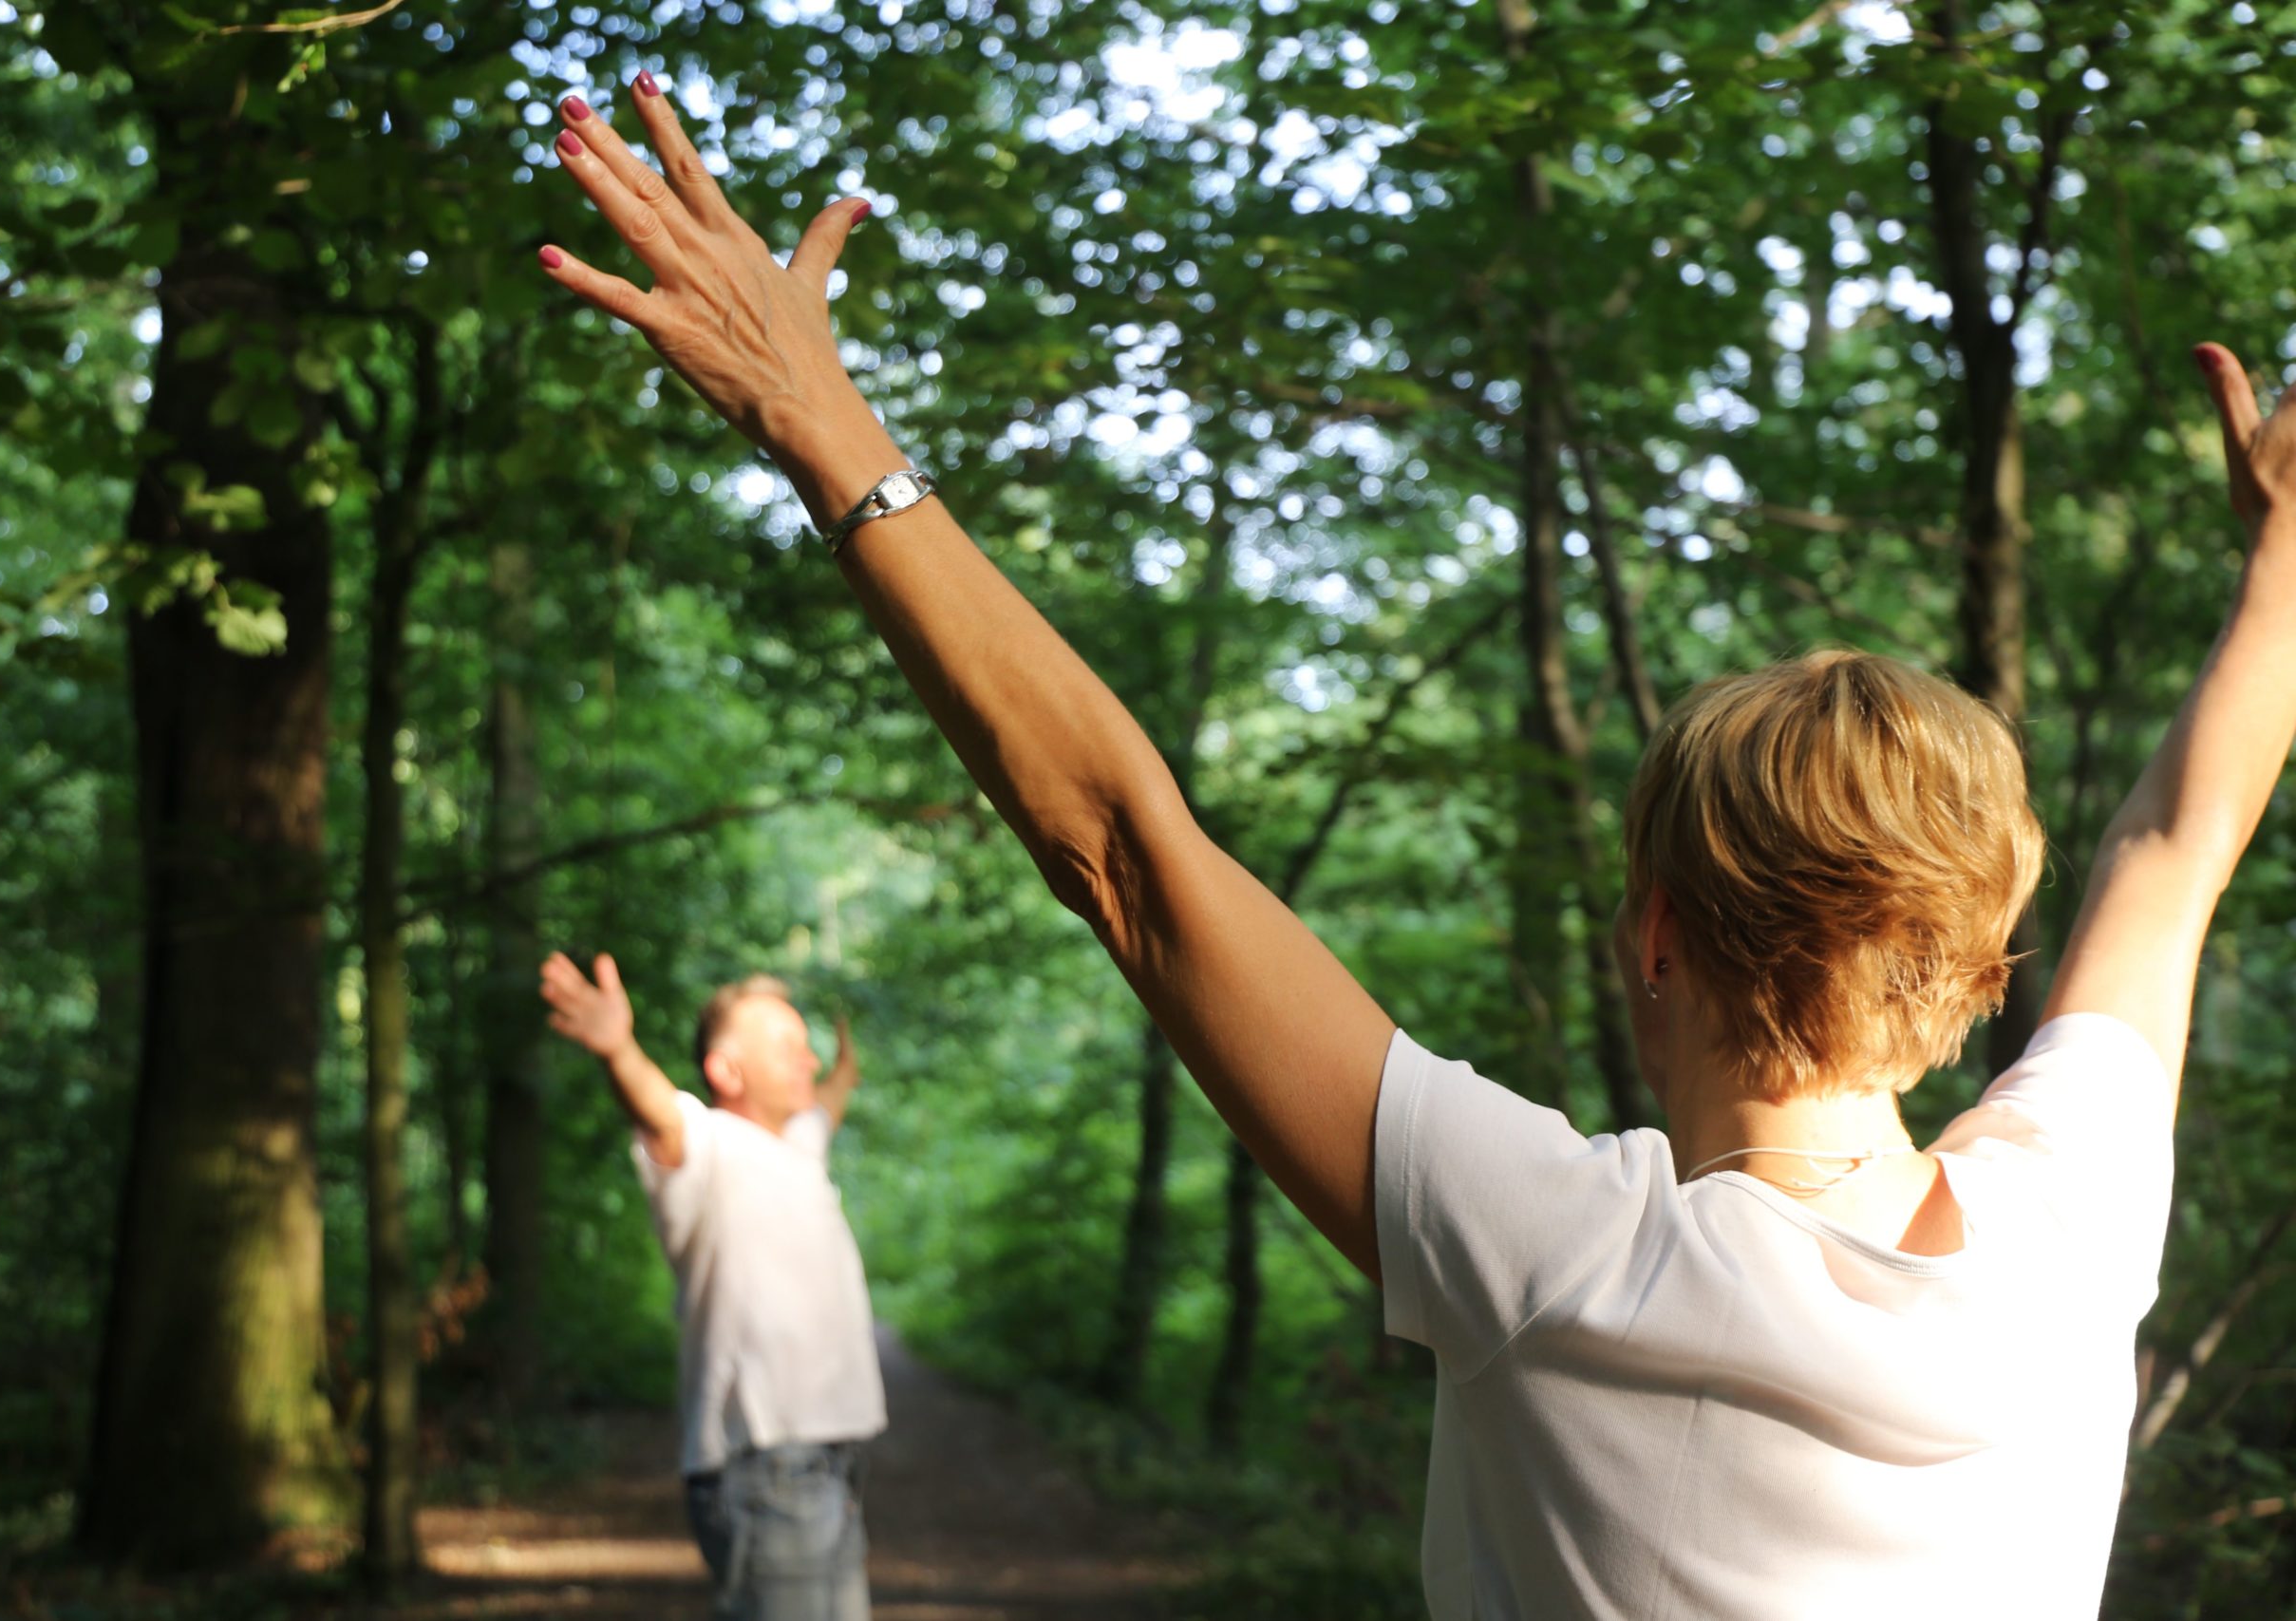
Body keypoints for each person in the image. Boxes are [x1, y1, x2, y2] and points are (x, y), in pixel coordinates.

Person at [529, 78, 2296, 1617]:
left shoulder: (1558, 1256)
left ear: (1658, 933)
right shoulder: (2073, 1224)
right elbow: (2175, 837)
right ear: (1984, 967)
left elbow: (1132, 857)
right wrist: (2285, 550)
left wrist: (818, 418)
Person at [539, 952, 884, 1621]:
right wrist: (619, 1050)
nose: (806, 1061)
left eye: (808, 1049)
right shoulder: (706, 1143)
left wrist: (846, 1061)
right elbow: (659, 1110)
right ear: (727, 1071)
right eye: (787, 1048)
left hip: (836, 1465)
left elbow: (833, 1095)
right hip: (767, 1470)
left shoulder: (801, 1144)